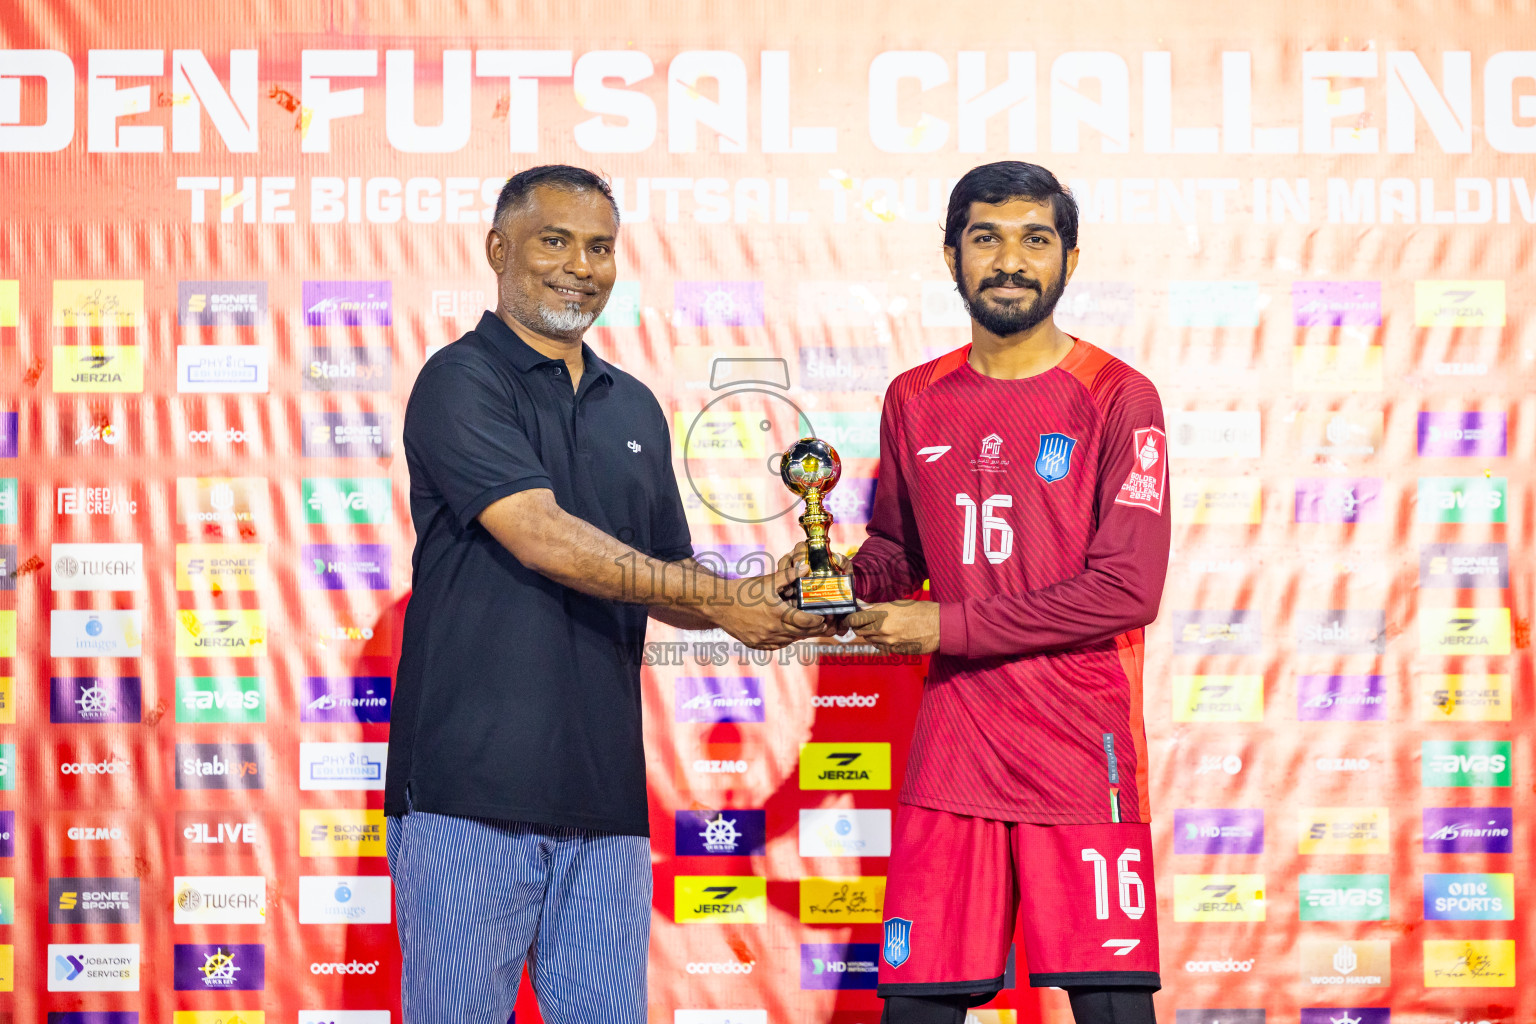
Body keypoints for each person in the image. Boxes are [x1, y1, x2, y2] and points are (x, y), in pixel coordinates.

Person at [385, 164, 830, 1024]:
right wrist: (721, 599)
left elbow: (667, 575)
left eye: (599, 248)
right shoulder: (461, 379)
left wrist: (760, 593)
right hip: (467, 795)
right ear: (497, 250)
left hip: (606, 804)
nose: (579, 266)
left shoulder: (634, 406)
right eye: (554, 241)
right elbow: (540, 533)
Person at [821, 161, 1171, 1024]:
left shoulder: (1119, 397)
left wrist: (945, 623)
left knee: (1113, 1009)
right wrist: (835, 580)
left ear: (1071, 260)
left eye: (1034, 239)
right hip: (956, 746)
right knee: (917, 1008)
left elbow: (1125, 590)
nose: (1009, 260)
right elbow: (897, 555)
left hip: (1080, 750)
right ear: (951, 255)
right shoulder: (914, 397)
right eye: (986, 238)